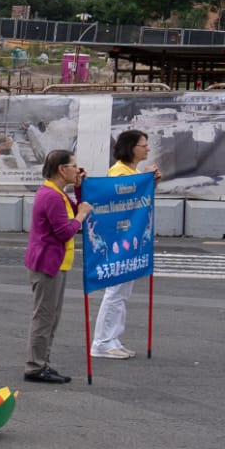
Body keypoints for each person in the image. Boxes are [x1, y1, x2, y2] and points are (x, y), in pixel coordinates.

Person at [24, 149, 92, 385]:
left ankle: (42, 362)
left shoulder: (56, 193)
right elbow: (65, 231)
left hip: (55, 262)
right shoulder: (51, 196)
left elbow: (75, 209)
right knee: (44, 317)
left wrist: (79, 188)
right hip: (47, 263)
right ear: (62, 169)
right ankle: (35, 366)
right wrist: (81, 215)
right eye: (73, 165)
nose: (77, 169)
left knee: (51, 317)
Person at [90, 128, 148, 360]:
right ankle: (102, 342)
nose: (147, 149)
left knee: (123, 292)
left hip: (130, 236)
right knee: (115, 291)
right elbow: (120, 199)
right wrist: (145, 182)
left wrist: (149, 183)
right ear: (131, 148)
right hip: (118, 237)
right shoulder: (119, 172)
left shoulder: (133, 171)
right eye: (143, 145)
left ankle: (112, 338)